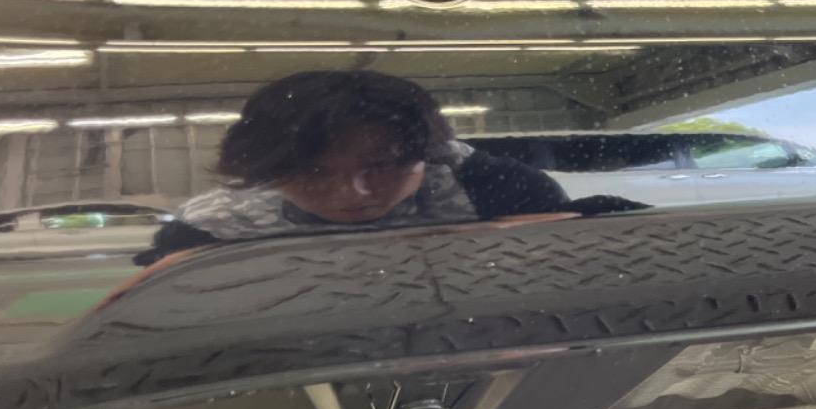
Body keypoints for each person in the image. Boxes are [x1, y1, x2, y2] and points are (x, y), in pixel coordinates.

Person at [137, 70, 641, 265]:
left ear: (428, 156)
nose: (354, 192)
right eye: (315, 173)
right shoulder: (211, 228)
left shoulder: (499, 189)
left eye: (382, 166)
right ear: (265, 171)